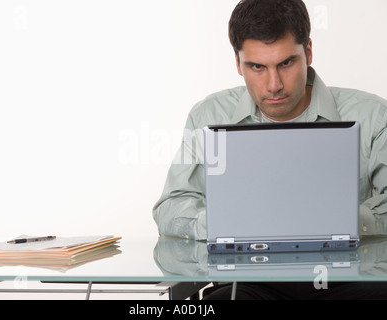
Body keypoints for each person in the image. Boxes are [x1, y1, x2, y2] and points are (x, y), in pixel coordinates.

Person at [153, 0, 387, 299]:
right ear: (238, 64)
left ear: (309, 52)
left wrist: (344, 222)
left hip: (348, 282)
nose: (274, 84)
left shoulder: (375, 116)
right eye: (257, 67)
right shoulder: (207, 117)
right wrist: (227, 225)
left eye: (286, 63)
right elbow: (170, 207)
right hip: (247, 284)